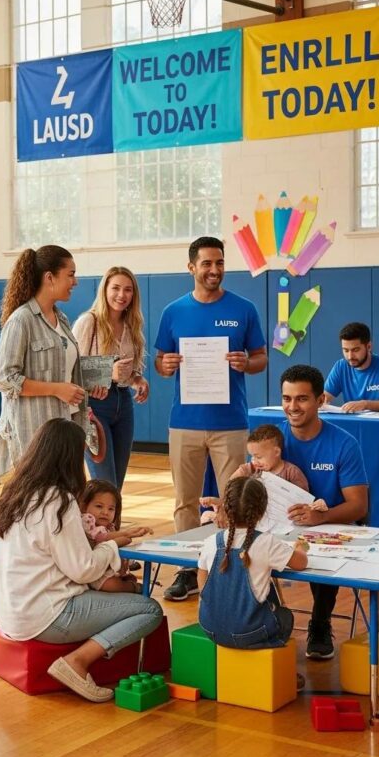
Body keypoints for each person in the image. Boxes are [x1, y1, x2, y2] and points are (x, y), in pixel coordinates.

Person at [0, 418, 163, 702]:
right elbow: (83, 569)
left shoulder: (17, 493)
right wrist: (112, 545)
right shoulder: (58, 500)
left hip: (11, 611)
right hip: (46, 615)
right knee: (150, 610)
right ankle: (77, 662)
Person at [154, 236, 267, 601]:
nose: (214, 270)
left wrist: (245, 363)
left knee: (235, 501)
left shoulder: (244, 308)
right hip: (184, 422)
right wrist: (165, 365)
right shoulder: (173, 312)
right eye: (207, 264)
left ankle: (233, 568)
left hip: (230, 423)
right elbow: (160, 363)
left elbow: (261, 357)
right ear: (191, 268)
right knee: (185, 501)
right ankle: (188, 571)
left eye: (219, 263)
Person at [279, 364, 368, 659]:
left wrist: (322, 517)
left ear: (321, 401)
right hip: (282, 525)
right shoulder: (272, 441)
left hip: (330, 526)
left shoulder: (344, 443)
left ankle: (320, 622)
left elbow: (358, 506)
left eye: (302, 399)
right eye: (287, 398)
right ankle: (268, 618)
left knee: (321, 550)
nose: (292, 407)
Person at [0, 245, 94, 484]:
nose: (75, 282)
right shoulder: (21, 320)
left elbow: (69, 371)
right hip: (35, 437)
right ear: (49, 277)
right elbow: (4, 379)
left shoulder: (62, 319)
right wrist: (57, 389)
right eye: (70, 274)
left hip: (67, 430)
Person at [198, 476, 308, 689]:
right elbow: (300, 563)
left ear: (226, 509)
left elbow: (203, 584)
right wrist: (300, 547)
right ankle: (275, 668)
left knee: (262, 599)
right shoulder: (266, 542)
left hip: (210, 628)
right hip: (250, 632)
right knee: (285, 616)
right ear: (262, 510)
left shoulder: (212, 542)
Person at [73, 267, 150, 488]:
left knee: (117, 484)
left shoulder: (131, 325)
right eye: (115, 288)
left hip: (123, 404)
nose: (121, 295)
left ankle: (110, 524)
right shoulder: (89, 322)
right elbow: (70, 370)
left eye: (128, 290)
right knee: (104, 483)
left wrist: (137, 380)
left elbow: (128, 370)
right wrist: (107, 373)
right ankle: (99, 523)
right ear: (104, 290)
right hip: (94, 406)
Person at [199, 423, 314, 525]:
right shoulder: (251, 469)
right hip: (253, 516)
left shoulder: (291, 472)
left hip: (280, 519)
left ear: (277, 452)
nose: (254, 461)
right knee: (220, 514)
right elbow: (232, 485)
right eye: (252, 456)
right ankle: (218, 506)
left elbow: (302, 498)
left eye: (259, 457)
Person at [79, 478, 152, 593]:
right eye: (99, 506)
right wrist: (125, 534)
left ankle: (129, 584)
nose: (105, 512)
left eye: (111, 509)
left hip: (108, 568)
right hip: (94, 573)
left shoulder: (109, 526)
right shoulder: (87, 522)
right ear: (84, 506)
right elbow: (99, 538)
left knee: (123, 577)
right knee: (111, 585)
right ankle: (133, 588)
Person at [324, 322, 379, 413]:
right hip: (352, 424)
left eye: (355, 350)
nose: (350, 356)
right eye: (346, 350)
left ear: (368, 347)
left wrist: (365, 404)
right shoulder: (341, 366)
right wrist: (319, 403)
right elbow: (323, 398)